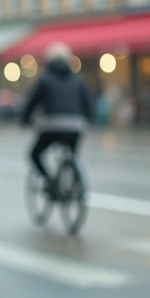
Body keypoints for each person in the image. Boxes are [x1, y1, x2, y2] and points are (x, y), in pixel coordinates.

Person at [20, 42, 93, 197]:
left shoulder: (45, 79)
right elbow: (88, 102)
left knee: (34, 154)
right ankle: (74, 181)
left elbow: (32, 102)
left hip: (52, 125)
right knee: (73, 154)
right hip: (76, 125)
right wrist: (87, 120)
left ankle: (49, 181)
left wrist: (24, 119)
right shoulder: (78, 79)